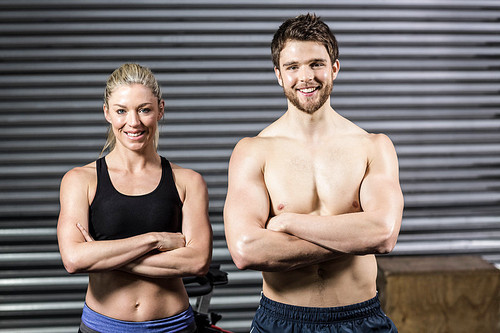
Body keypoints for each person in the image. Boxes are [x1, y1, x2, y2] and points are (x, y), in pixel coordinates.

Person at [224, 13, 403, 332]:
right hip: (282, 321)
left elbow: (383, 234)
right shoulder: (253, 151)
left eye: (316, 63)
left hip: (360, 319)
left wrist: (290, 223)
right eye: (293, 67)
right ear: (279, 75)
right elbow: (246, 249)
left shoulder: (373, 146)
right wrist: (354, 238)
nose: (305, 77)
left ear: (335, 67)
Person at [57, 63, 212, 333]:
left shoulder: (188, 181)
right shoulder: (81, 180)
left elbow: (197, 262)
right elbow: (73, 259)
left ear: (160, 109)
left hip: (175, 326)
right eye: (121, 111)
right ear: (107, 112)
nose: (134, 122)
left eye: (144, 109)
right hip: (103, 326)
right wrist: (155, 240)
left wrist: (103, 255)